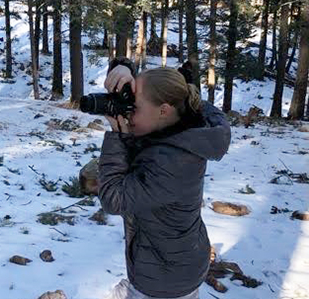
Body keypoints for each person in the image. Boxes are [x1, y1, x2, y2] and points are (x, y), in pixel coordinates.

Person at [99, 59, 231, 299]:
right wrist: (123, 68)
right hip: (178, 262)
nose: (128, 114)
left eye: (134, 108)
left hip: (162, 281)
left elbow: (113, 198)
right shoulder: (180, 129)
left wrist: (117, 136)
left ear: (164, 110)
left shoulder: (171, 161)